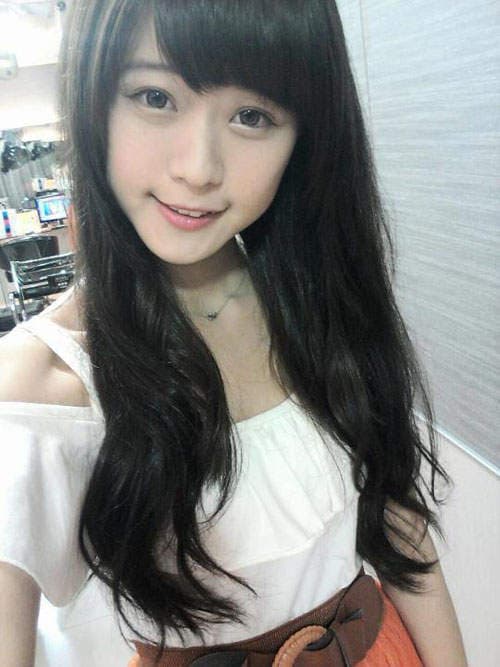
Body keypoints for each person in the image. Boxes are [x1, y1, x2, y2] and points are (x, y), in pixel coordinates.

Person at [0, 1, 467, 666]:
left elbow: (400, 528)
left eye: (252, 115)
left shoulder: (318, 297)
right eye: (155, 96)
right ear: (94, 98)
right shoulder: (38, 390)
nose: (198, 168)